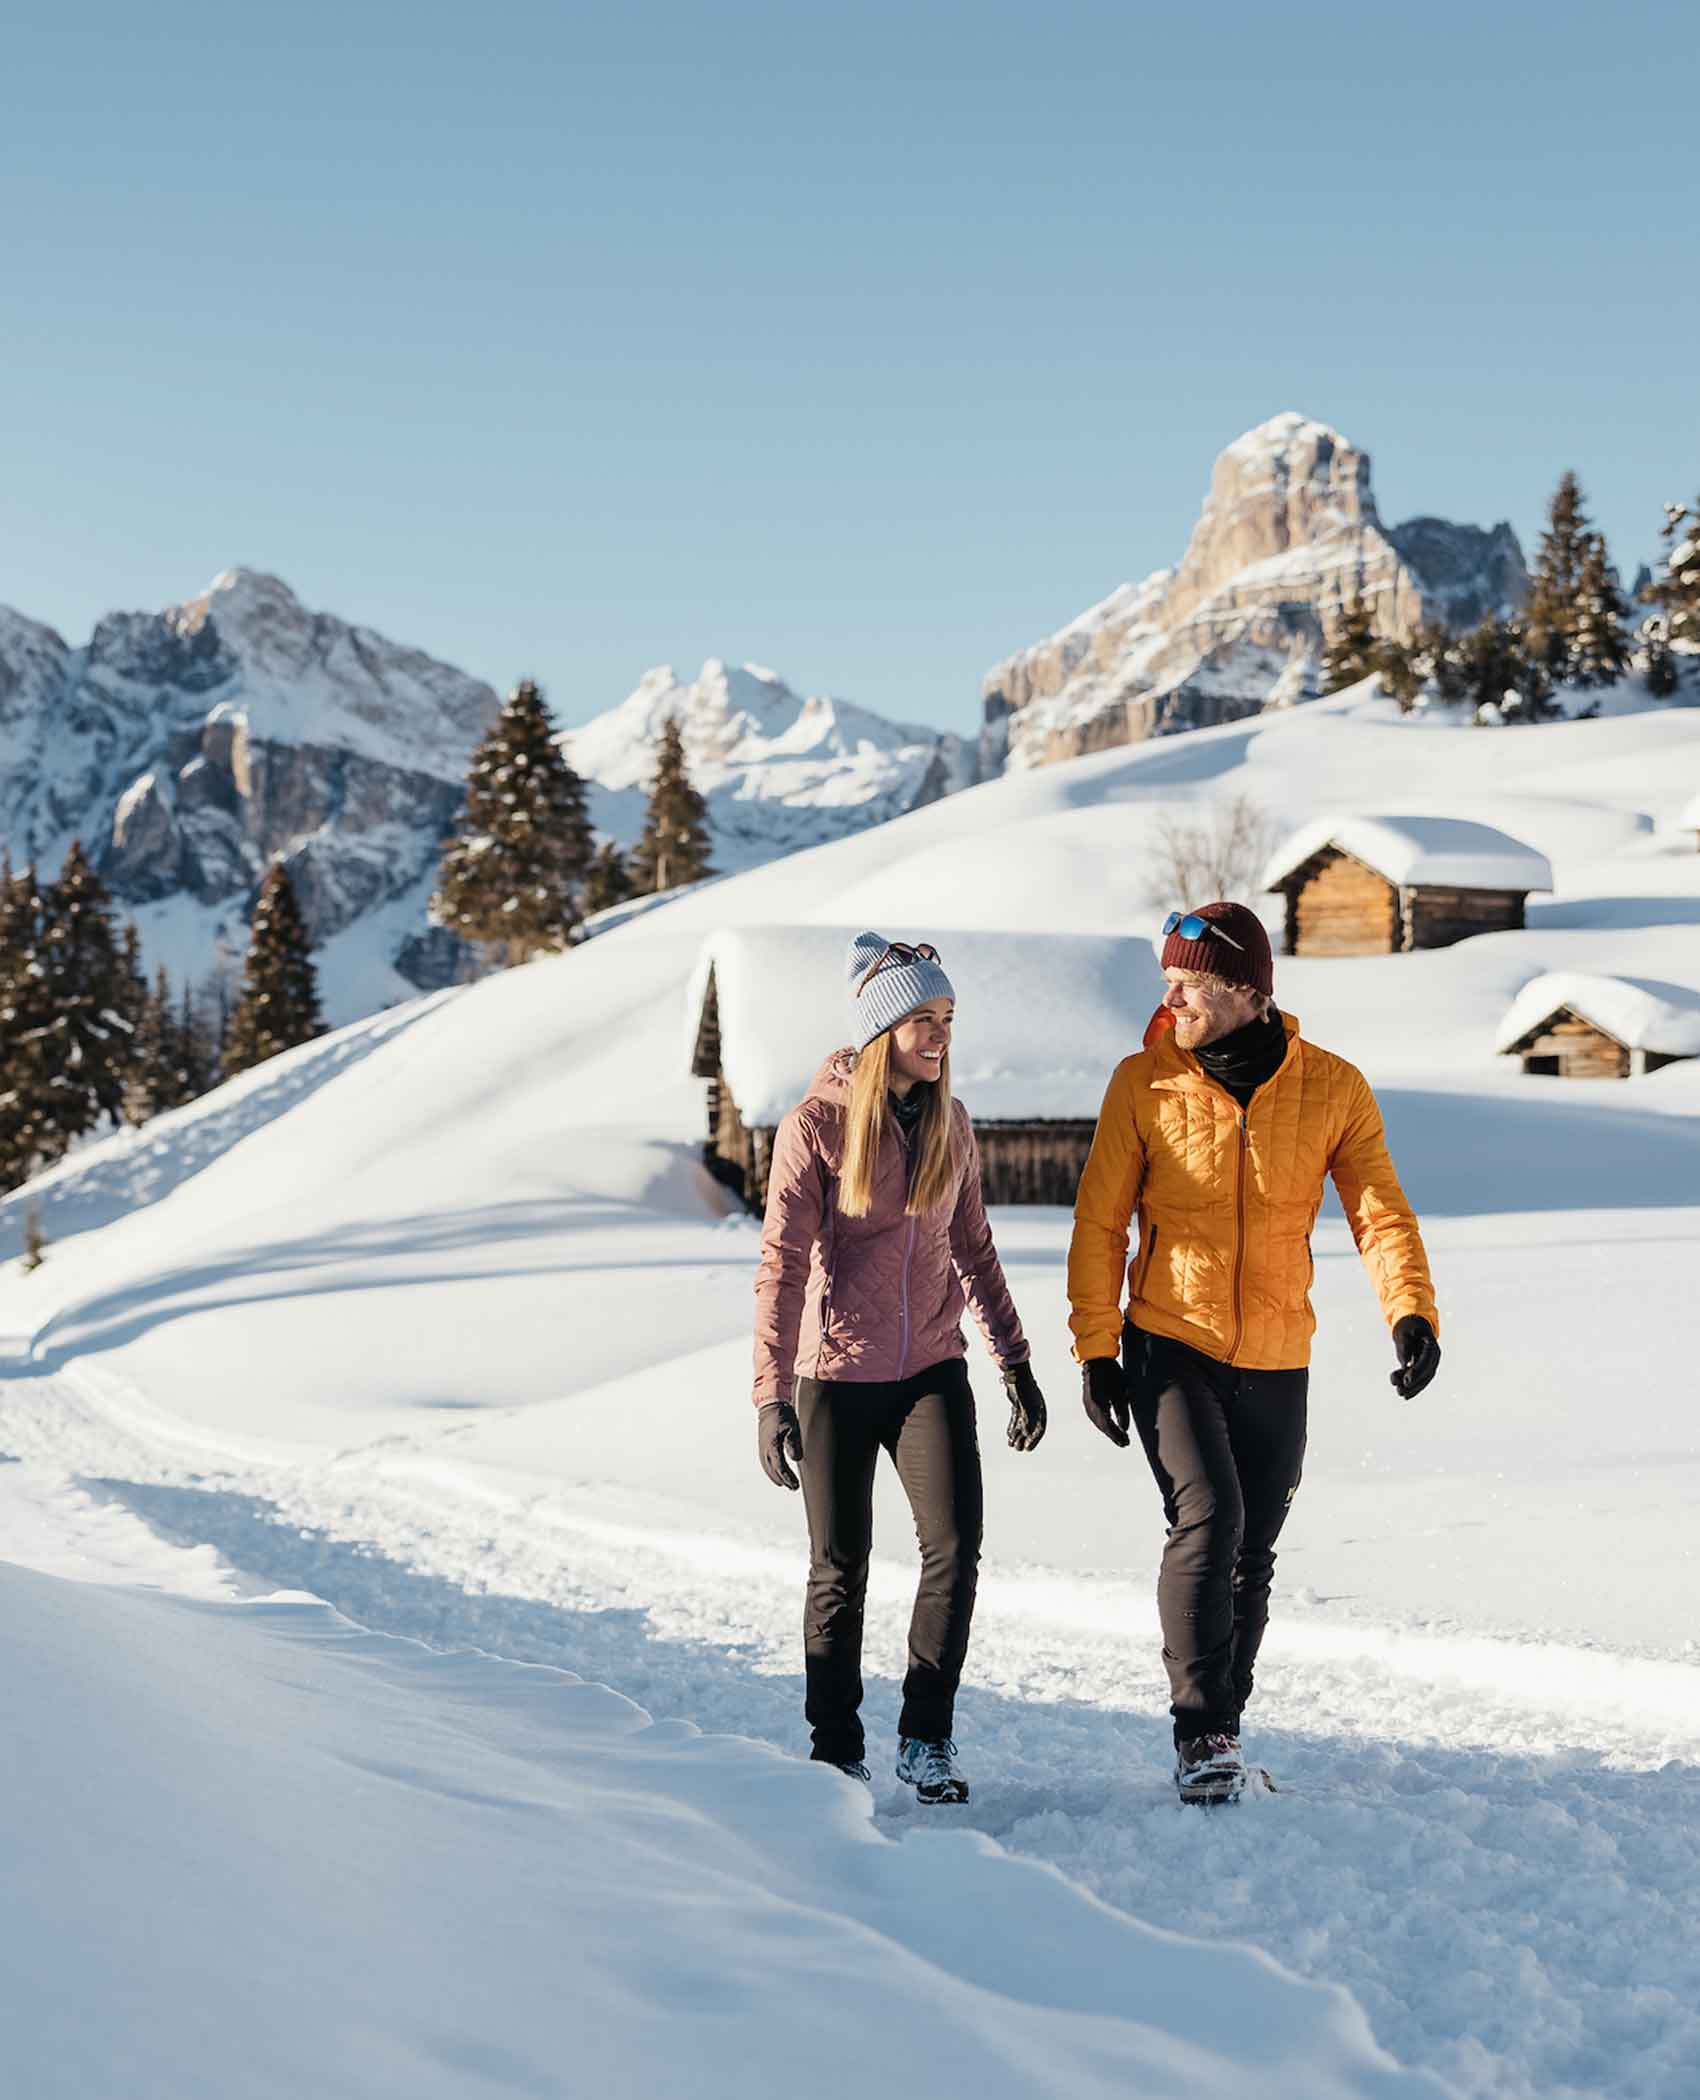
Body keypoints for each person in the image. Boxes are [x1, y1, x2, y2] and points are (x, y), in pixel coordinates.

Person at [1067, 901, 1440, 1804]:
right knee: (1210, 1520)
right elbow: (1101, 1219)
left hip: (1278, 1350)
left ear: (1244, 990)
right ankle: (1200, 1734)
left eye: (1188, 983)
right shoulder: (1141, 1084)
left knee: (1255, 1551)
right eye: (1168, 982)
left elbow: (1377, 1210)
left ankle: (1223, 1724)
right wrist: (1096, 1346)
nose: (1172, 999)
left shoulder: (1333, 1087)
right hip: (1169, 1339)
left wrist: (1412, 1313)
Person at [752, 930, 1048, 1803]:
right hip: (837, 1377)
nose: (939, 1035)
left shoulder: (952, 1121)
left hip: (930, 1371)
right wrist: (772, 1396)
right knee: (840, 1566)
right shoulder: (820, 1126)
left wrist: (1016, 1361)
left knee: (954, 1550)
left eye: (948, 1017)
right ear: (884, 1030)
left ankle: (926, 1738)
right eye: (922, 1018)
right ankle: (835, 1750)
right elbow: (782, 1264)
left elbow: (974, 1247)